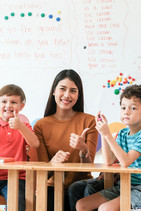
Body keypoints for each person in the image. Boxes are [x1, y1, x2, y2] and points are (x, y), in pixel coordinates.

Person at [76, 85, 141, 211]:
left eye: (132, 108)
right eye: (123, 108)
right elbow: (109, 161)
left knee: (105, 209)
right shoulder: (123, 133)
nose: (126, 112)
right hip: (124, 186)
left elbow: (126, 161)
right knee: (81, 205)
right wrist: (103, 134)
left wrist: (108, 135)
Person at [33, 69, 98, 211]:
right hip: (52, 188)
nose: (67, 95)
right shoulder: (40, 126)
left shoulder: (89, 121)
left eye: (73, 91)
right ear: (54, 91)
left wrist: (83, 149)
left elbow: (89, 167)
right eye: (62, 89)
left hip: (81, 187)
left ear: (78, 95)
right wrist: (52, 163)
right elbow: (42, 173)